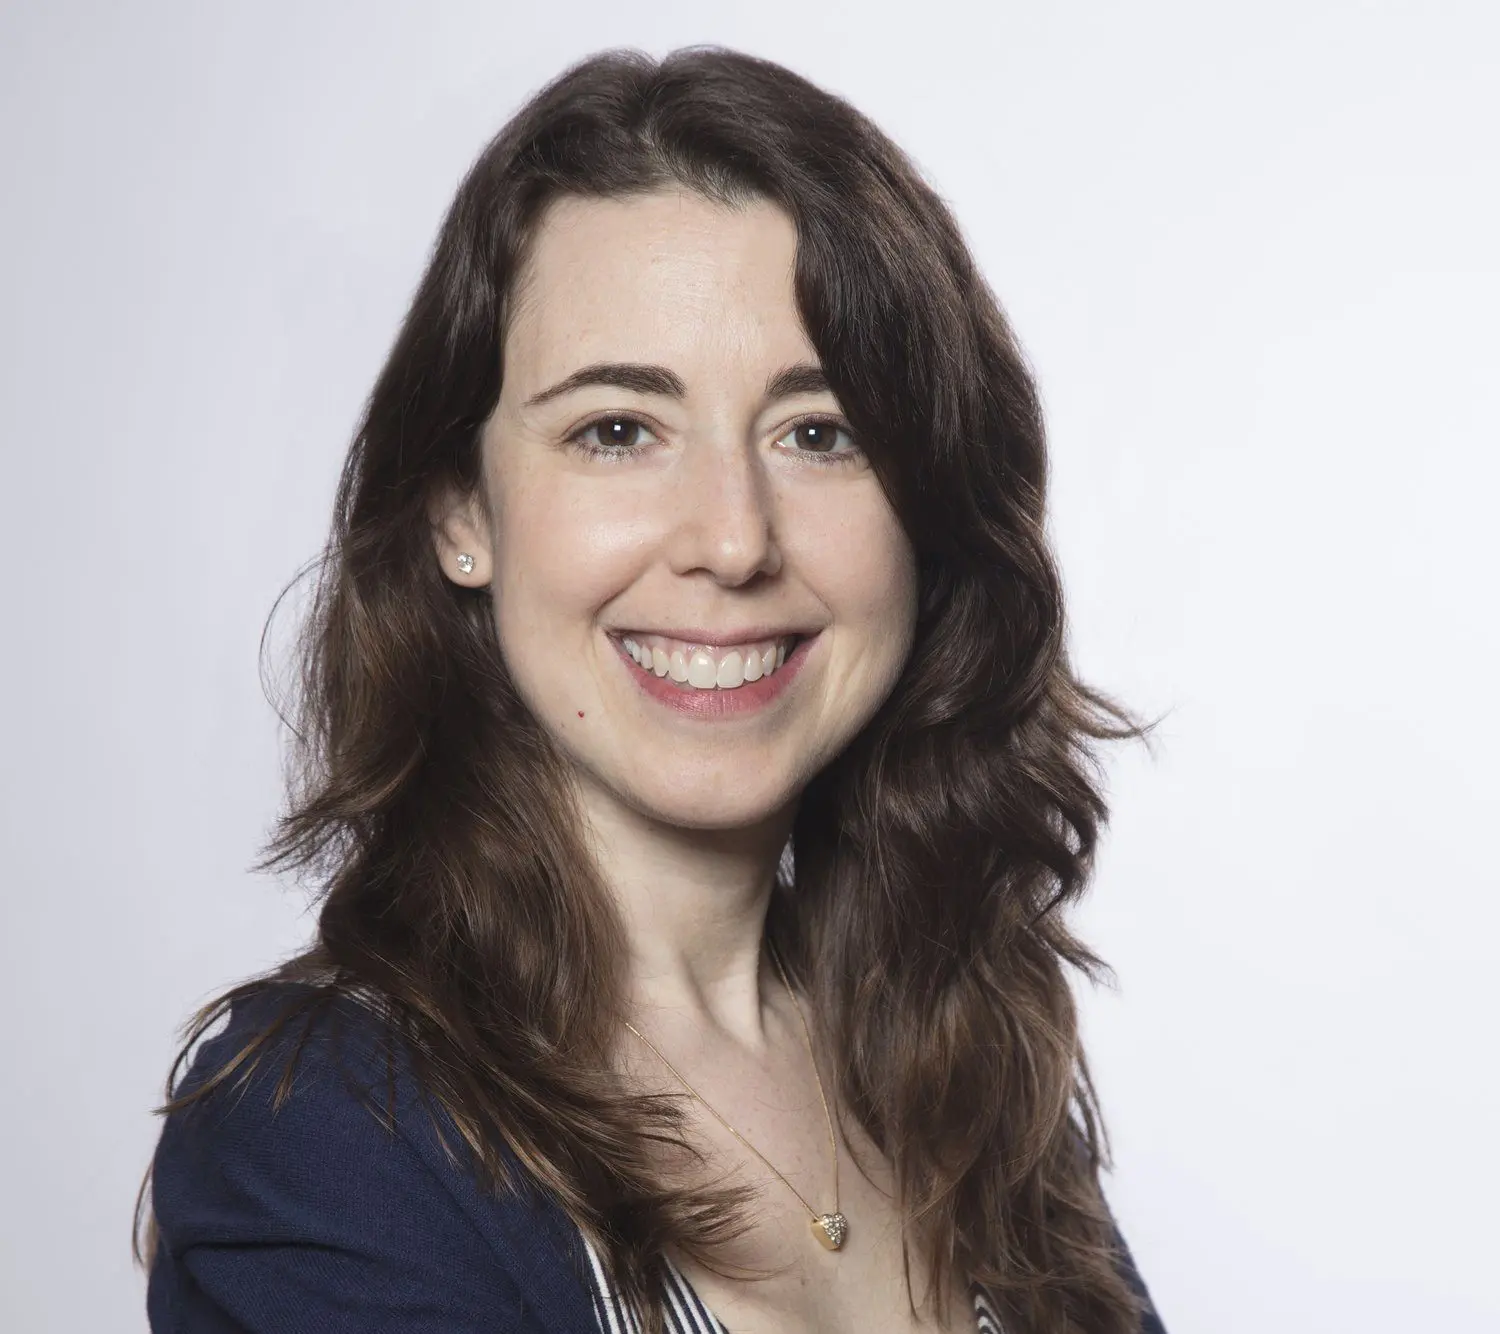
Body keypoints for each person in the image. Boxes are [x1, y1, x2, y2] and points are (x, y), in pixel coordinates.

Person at [138, 46, 1168, 1334]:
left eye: (821, 434)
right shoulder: (328, 1131)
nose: (733, 540)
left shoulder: (974, 1070)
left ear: (930, 508)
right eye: (617, 431)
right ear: (462, 510)